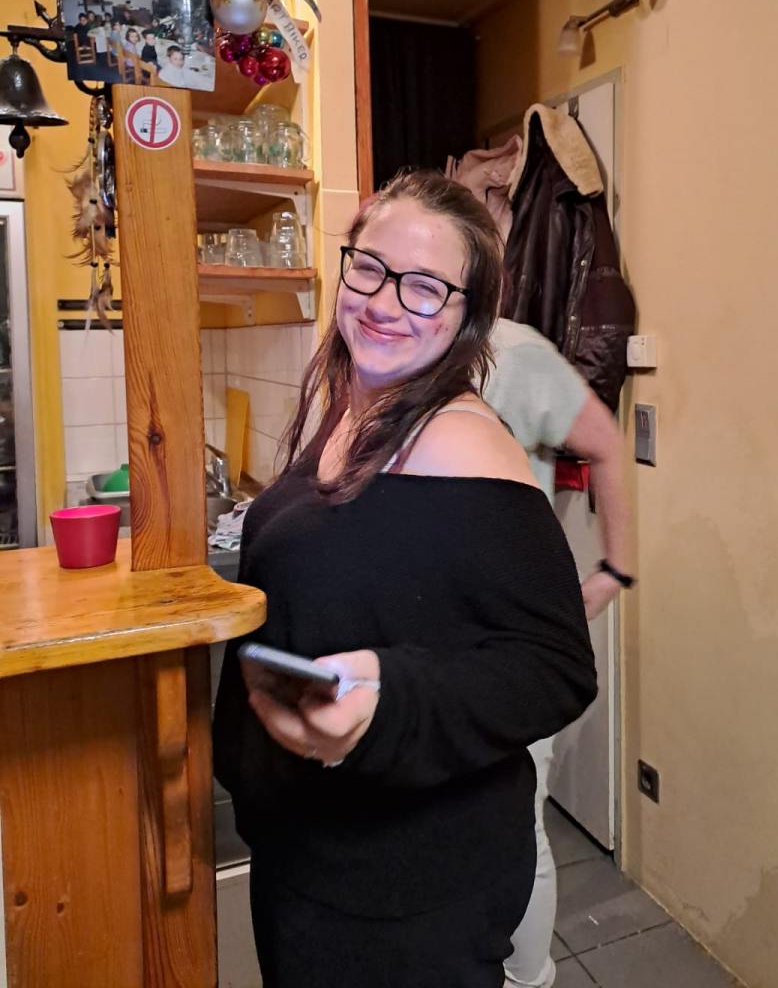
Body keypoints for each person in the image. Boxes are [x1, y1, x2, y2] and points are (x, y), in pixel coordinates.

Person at [213, 170, 597, 988]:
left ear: (467, 316)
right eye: (371, 268)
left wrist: (393, 701)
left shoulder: (463, 444)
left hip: (404, 889)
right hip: (313, 855)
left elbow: (556, 666)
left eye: (425, 287)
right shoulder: (355, 409)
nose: (385, 302)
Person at [484, 317, 633, 988]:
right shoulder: (390, 345)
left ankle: (528, 980)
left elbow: (605, 441)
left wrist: (614, 570)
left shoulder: (513, 351)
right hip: (430, 638)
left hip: (513, 636)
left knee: (517, 825)